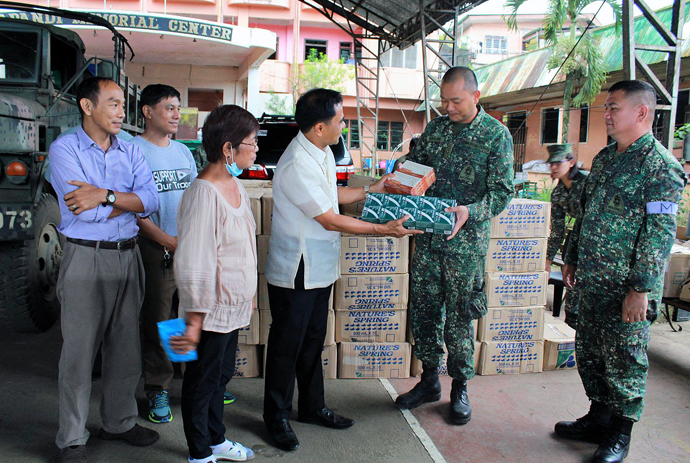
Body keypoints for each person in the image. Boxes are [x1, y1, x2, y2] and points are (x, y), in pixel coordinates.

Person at [262, 88, 421, 451]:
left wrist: (375, 188)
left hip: (320, 265)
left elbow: (334, 197)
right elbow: (331, 219)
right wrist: (385, 230)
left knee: (312, 341)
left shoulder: (321, 152)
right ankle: (276, 417)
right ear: (319, 126)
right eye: (340, 120)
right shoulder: (296, 164)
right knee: (288, 345)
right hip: (297, 269)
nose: (344, 125)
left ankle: (312, 407)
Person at [557, 80, 686, 463]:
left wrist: (641, 289)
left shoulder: (661, 167)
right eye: (606, 108)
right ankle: (598, 418)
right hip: (593, 280)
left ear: (641, 112)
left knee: (626, 360)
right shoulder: (607, 157)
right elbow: (587, 211)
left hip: (626, 288)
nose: (607, 115)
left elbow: (658, 235)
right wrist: (572, 255)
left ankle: (620, 434)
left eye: (613, 107)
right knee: (592, 353)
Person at [395, 66, 514, 426]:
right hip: (428, 239)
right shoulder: (436, 129)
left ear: (475, 97)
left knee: (460, 318)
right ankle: (429, 380)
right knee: (426, 311)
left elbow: (502, 193)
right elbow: (418, 165)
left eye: (456, 101)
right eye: (444, 100)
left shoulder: (496, 135)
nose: (448, 107)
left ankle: (459, 388)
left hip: (466, 247)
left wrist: (470, 211)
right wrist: (403, 171)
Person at [49, 76, 160, 463]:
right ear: (87, 106)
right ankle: (72, 438)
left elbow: (150, 199)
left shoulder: (129, 151)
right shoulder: (64, 150)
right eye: (112, 103)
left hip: (128, 255)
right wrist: (122, 202)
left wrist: (107, 194)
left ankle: (119, 422)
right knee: (79, 353)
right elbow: (83, 208)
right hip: (85, 256)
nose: (120, 112)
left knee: (127, 348)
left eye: (121, 104)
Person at [171, 105, 258, 463]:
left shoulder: (236, 184)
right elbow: (193, 260)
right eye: (251, 143)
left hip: (233, 305)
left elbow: (245, 246)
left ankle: (216, 439)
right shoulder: (203, 193)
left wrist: (249, 296)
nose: (255, 150)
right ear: (228, 148)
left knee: (220, 378)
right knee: (201, 381)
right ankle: (199, 451)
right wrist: (193, 319)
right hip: (208, 310)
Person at [132, 84, 198, 424]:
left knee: (184, 315)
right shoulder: (132, 150)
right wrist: (168, 242)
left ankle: (190, 382)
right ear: (147, 111)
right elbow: (133, 212)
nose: (176, 115)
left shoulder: (183, 152)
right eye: (169, 108)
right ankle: (157, 387)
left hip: (186, 247)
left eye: (178, 108)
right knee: (158, 317)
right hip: (154, 248)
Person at [544, 143, 587, 329]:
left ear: (571, 162)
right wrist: (547, 260)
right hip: (576, 242)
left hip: (596, 244)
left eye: (557, 163)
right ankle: (570, 338)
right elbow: (557, 230)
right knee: (573, 300)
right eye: (550, 164)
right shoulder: (558, 193)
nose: (553, 168)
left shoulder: (587, 185)